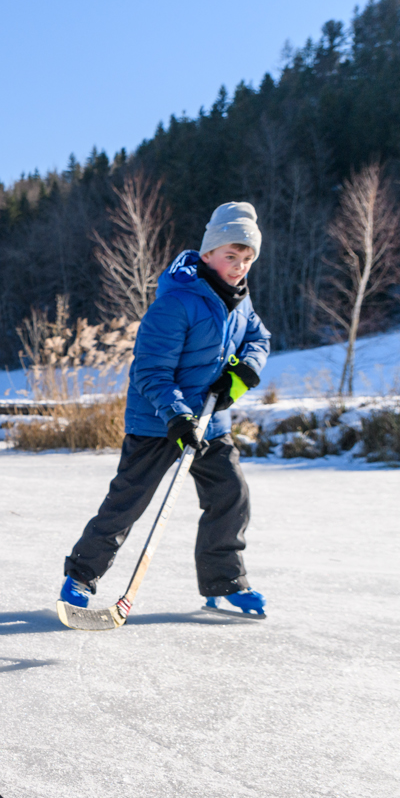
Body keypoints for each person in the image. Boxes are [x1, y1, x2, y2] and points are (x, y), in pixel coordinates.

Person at [61, 202, 272, 617]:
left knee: (232, 495)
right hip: (159, 422)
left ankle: (224, 583)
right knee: (127, 505)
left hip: (211, 423)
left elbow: (259, 338)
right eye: (232, 256)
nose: (240, 266)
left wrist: (242, 373)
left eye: (247, 259)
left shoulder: (240, 303)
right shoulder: (177, 303)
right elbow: (151, 370)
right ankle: (81, 578)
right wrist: (177, 415)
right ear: (208, 254)